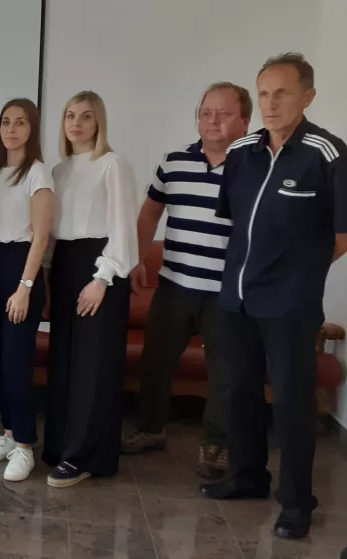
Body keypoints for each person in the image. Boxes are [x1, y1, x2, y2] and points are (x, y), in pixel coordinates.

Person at [200, 53, 347, 541]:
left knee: (291, 403)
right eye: (263, 93)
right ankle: (247, 476)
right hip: (237, 297)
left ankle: (297, 501)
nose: (270, 103)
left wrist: (298, 274)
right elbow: (236, 220)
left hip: (290, 304)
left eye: (282, 93)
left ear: (307, 96)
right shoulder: (243, 151)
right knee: (239, 391)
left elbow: (342, 236)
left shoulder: (327, 154)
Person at [120, 83, 251, 480]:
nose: (213, 120)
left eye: (223, 113)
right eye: (206, 112)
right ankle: (150, 429)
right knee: (156, 361)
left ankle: (216, 446)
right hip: (174, 285)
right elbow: (150, 213)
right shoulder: (174, 162)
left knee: (224, 374)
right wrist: (136, 257)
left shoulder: (255, 168)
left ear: (244, 122)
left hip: (226, 294)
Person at [42, 91, 138, 487]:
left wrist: (102, 279)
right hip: (65, 266)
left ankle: (86, 456)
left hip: (100, 270)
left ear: (99, 122)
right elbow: (51, 234)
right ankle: (62, 445)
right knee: (65, 360)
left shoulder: (112, 164)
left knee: (93, 366)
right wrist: (46, 278)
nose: (76, 123)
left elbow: (123, 228)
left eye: (85, 116)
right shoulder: (59, 171)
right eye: (70, 116)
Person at [0, 98, 53, 481]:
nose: (11, 129)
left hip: (19, 271)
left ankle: (25, 445)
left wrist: (24, 288)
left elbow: (41, 236)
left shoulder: (37, 173)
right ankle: (8, 433)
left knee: (17, 364)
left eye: (20, 122)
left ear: (32, 129)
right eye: (6, 121)